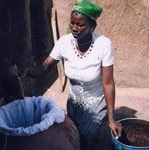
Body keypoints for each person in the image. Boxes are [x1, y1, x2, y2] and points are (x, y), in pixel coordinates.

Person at [42, 0, 122, 149]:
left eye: (80, 24)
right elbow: (45, 66)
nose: (75, 28)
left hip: (96, 105)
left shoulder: (103, 45)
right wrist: (25, 72)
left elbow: (108, 83)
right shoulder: (64, 43)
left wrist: (112, 119)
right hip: (74, 104)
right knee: (73, 136)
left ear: (92, 26)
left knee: (88, 139)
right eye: (72, 23)